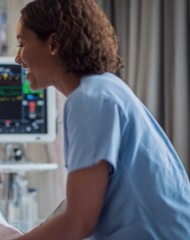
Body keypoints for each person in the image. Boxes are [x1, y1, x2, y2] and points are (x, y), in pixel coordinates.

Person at [13, 0, 190, 239]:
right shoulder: (105, 88)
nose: (16, 58)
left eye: (22, 44)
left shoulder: (89, 99)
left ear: (53, 43)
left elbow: (78, 223)